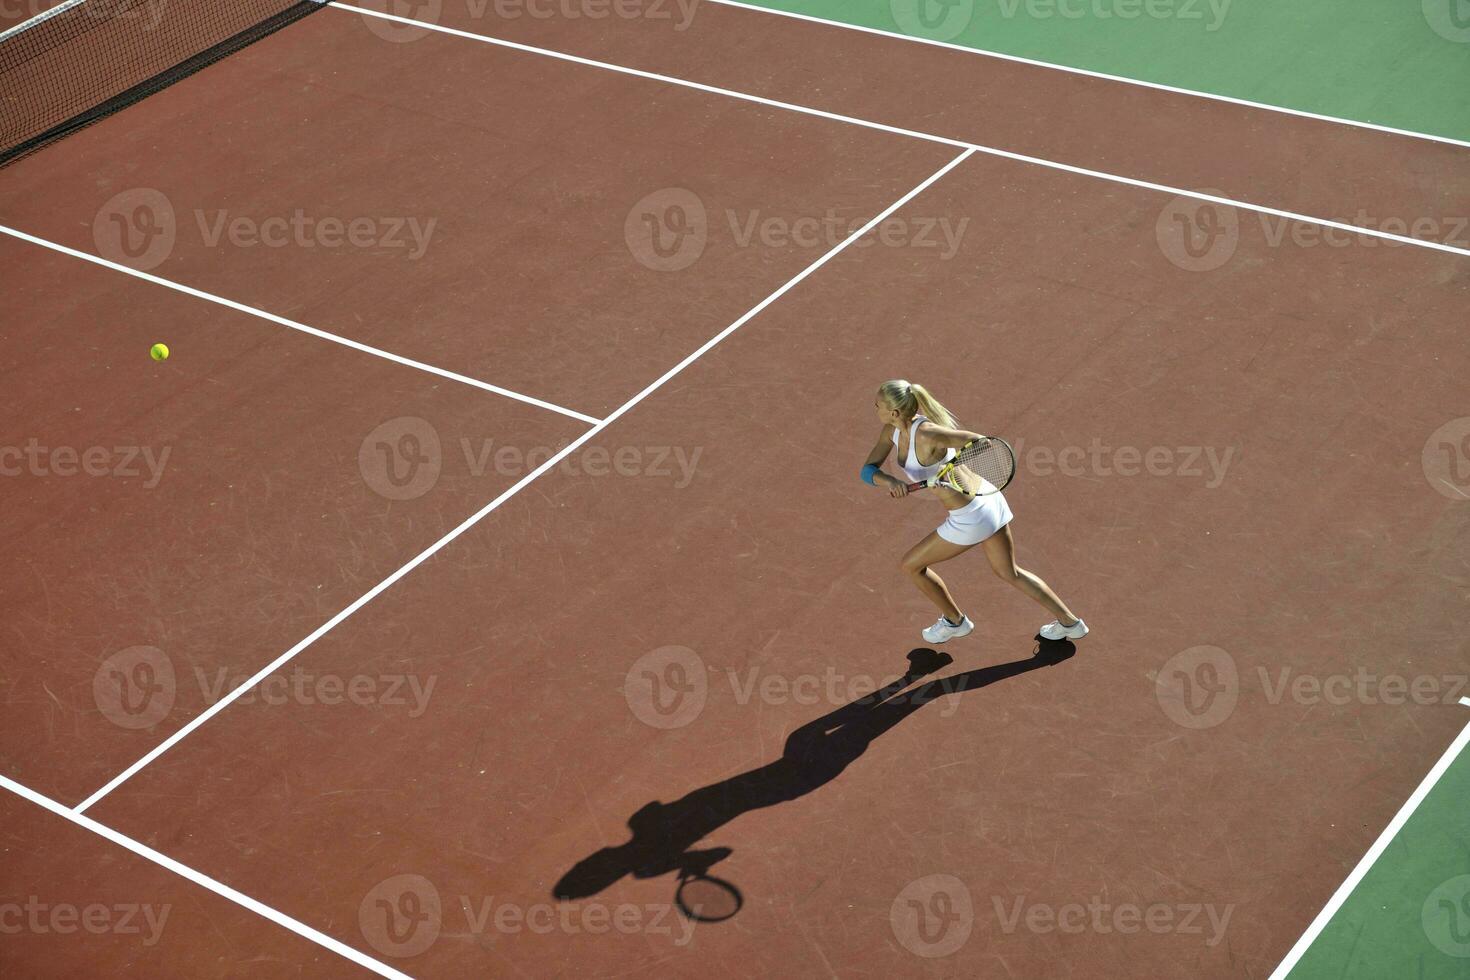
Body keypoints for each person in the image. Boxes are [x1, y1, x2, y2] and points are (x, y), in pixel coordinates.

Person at [861, 379, 1087, 644]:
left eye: (877, 405)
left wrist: (950, 468)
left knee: (911, 566)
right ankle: (1071, 623)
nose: (874, 409)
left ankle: (955, 622)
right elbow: (868, 470)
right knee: (1009, 572)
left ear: (894, 412)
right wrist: (890, 481)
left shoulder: (928, 434)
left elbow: (982, 442)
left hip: (971, 516)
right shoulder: (891, 432)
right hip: (989, 500)